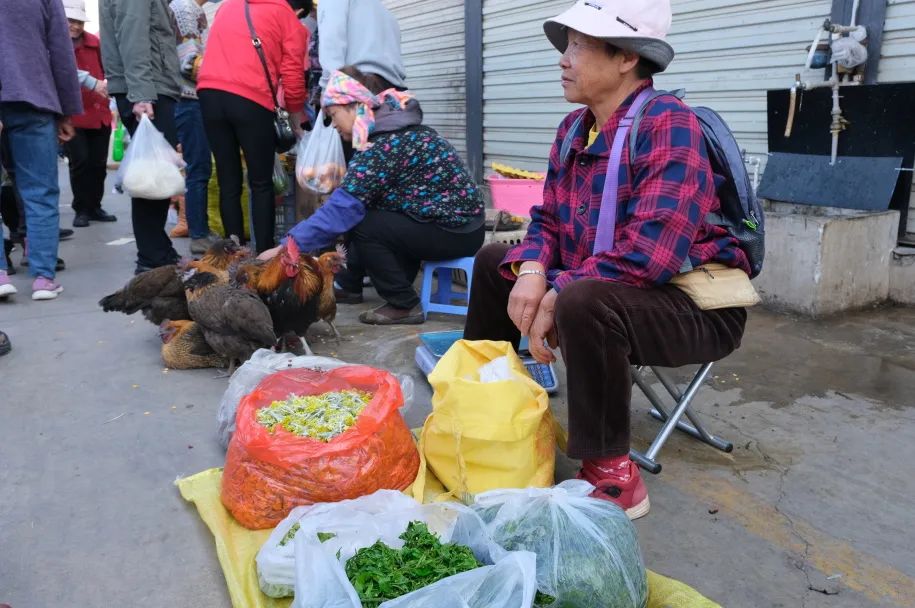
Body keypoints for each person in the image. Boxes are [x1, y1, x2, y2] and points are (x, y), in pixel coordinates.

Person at [463, 0, 751, 519]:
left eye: (578, 46)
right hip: (607, 289)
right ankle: (482, 408)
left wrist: (558, 290)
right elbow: (548, 217)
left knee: (582, 298)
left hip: (694, 307)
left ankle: (612, 474)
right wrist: (533, 271)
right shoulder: (575, 128)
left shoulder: (669, 125)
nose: (563, 59)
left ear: (625, 58)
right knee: (492, 262)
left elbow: (650, 254)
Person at [259, 67, 485, 325]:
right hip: (451, 225)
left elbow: (342, 210)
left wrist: (286, 247)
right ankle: (350, 284)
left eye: (333, 115)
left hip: (456, 231)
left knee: (363, 222)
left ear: (354, 106)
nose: (333, 125)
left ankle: (404, 303)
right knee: (364, 210)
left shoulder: (384, 145)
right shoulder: (393, 133)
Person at [197, 0, 310, 253]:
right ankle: (263, 257)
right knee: (261, 182)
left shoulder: (227, 6)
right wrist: (294, 115)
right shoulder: (284, 13)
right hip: (250, 98)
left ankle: (233, 253)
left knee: (228, 180)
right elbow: (293, 72)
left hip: (209, 94)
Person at [0, 0, 81, 301]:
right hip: (32, 96)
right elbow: (60, 50)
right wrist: (67, 110)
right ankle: (43, 278)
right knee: (40, 191)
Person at [100, 0, 183, 274]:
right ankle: (152, 258)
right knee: (152, 178)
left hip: (147, 86)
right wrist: (142, 94)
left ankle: (158, 250)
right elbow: (133, 35)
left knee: (155, 174)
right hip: (148, 89)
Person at [64, 0, 119, 229]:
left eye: (79, 22)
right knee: (80, 162)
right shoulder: (56, 43)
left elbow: (107, 69)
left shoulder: (95, 43)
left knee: (98, 164)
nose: (76, 26)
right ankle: (81, 208)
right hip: (72, 114)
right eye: (71, 21)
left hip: (98, 111)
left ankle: (95, 206)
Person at [170, 0, 218, 254]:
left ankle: (201, 229)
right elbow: (189, 62)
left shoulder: (191, 9)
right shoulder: (185, 8)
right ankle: (199, 233)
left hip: (190, 99)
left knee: (198, 167)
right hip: (188, 99)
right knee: (198, 167)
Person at [317, 0, 405, 92]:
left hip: (358, 85)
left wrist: (328, 87)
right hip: (395, 90)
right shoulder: (385, 12)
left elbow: (332, 42)